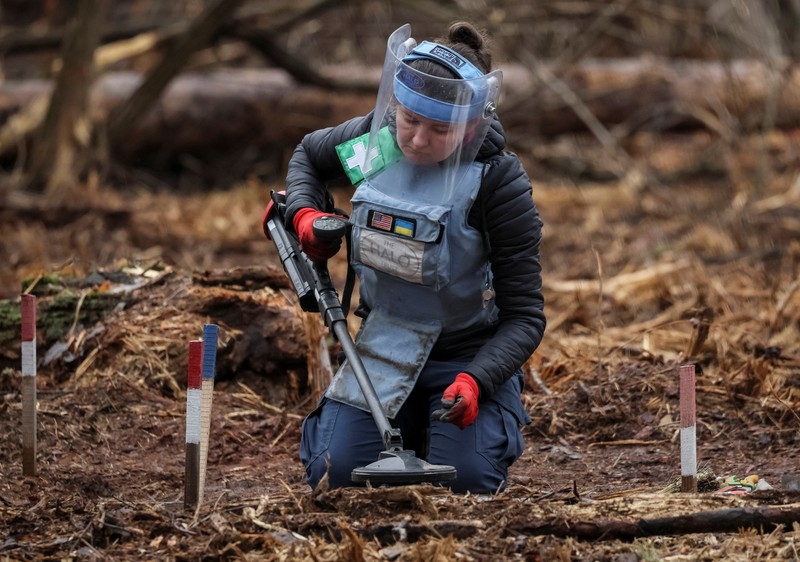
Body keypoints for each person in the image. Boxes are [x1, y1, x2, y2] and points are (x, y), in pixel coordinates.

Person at [282, 22, 545, 494]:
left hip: (466, 357)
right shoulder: (381, 146)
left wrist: (477, 381)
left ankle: (448, 431)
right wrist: (304, 215)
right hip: (383, 346)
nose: (419, 140)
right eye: (409, 120)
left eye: (440, 129)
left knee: (465, 484)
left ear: (470, 125)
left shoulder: (496, 183)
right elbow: (309, 157)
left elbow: (525, 317)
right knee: (335, 476)